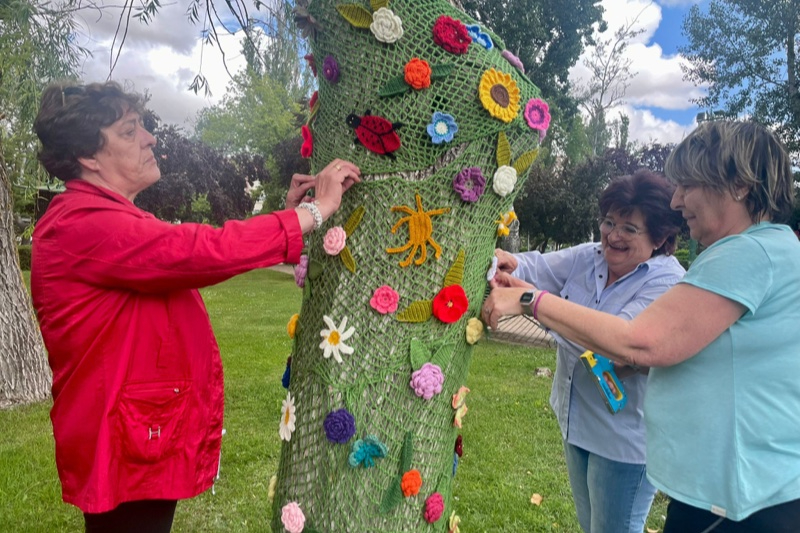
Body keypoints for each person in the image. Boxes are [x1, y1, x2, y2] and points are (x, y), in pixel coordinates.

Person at [30, 80, 361, 532]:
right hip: (121, 435)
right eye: (129, 131)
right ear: (88, 156)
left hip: (129, 428)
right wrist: (315, 211)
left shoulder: (105, 216)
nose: (149, 138)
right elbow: (198, 251)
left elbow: (182, 258)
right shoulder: (83, 222)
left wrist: (291, 215)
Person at [483, 121, 800, 532]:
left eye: (688, 184)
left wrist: (531, 301)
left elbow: (639, 342)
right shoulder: (774, 247)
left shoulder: (747, 252)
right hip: (743, 488)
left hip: (739, 500)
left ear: (739, 185)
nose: (676, 198)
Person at [493, 169, 685, 533]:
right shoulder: (591, 256)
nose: (613, 235)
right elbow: (538, 266)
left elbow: (612, 345)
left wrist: (531, 302)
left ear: (660, 236)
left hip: (624, 441)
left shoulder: (667, 282)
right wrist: (509, 263)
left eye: (629, 228)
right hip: (576, 423)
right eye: (608, 222)